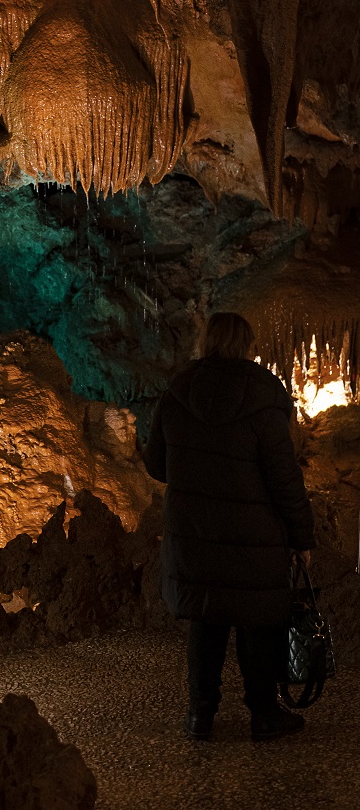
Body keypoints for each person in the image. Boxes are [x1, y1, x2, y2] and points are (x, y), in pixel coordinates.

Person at [143, 311, 315, 742]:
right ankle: (263, 714)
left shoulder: (178, 391)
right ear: (248, 344)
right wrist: (301, 536)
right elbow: (283, 476)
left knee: (207, 618)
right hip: (253, 536)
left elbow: (156, 465)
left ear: (207, 341)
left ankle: (200, 715)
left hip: (195, 534)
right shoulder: (262, 395)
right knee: (258, 620)